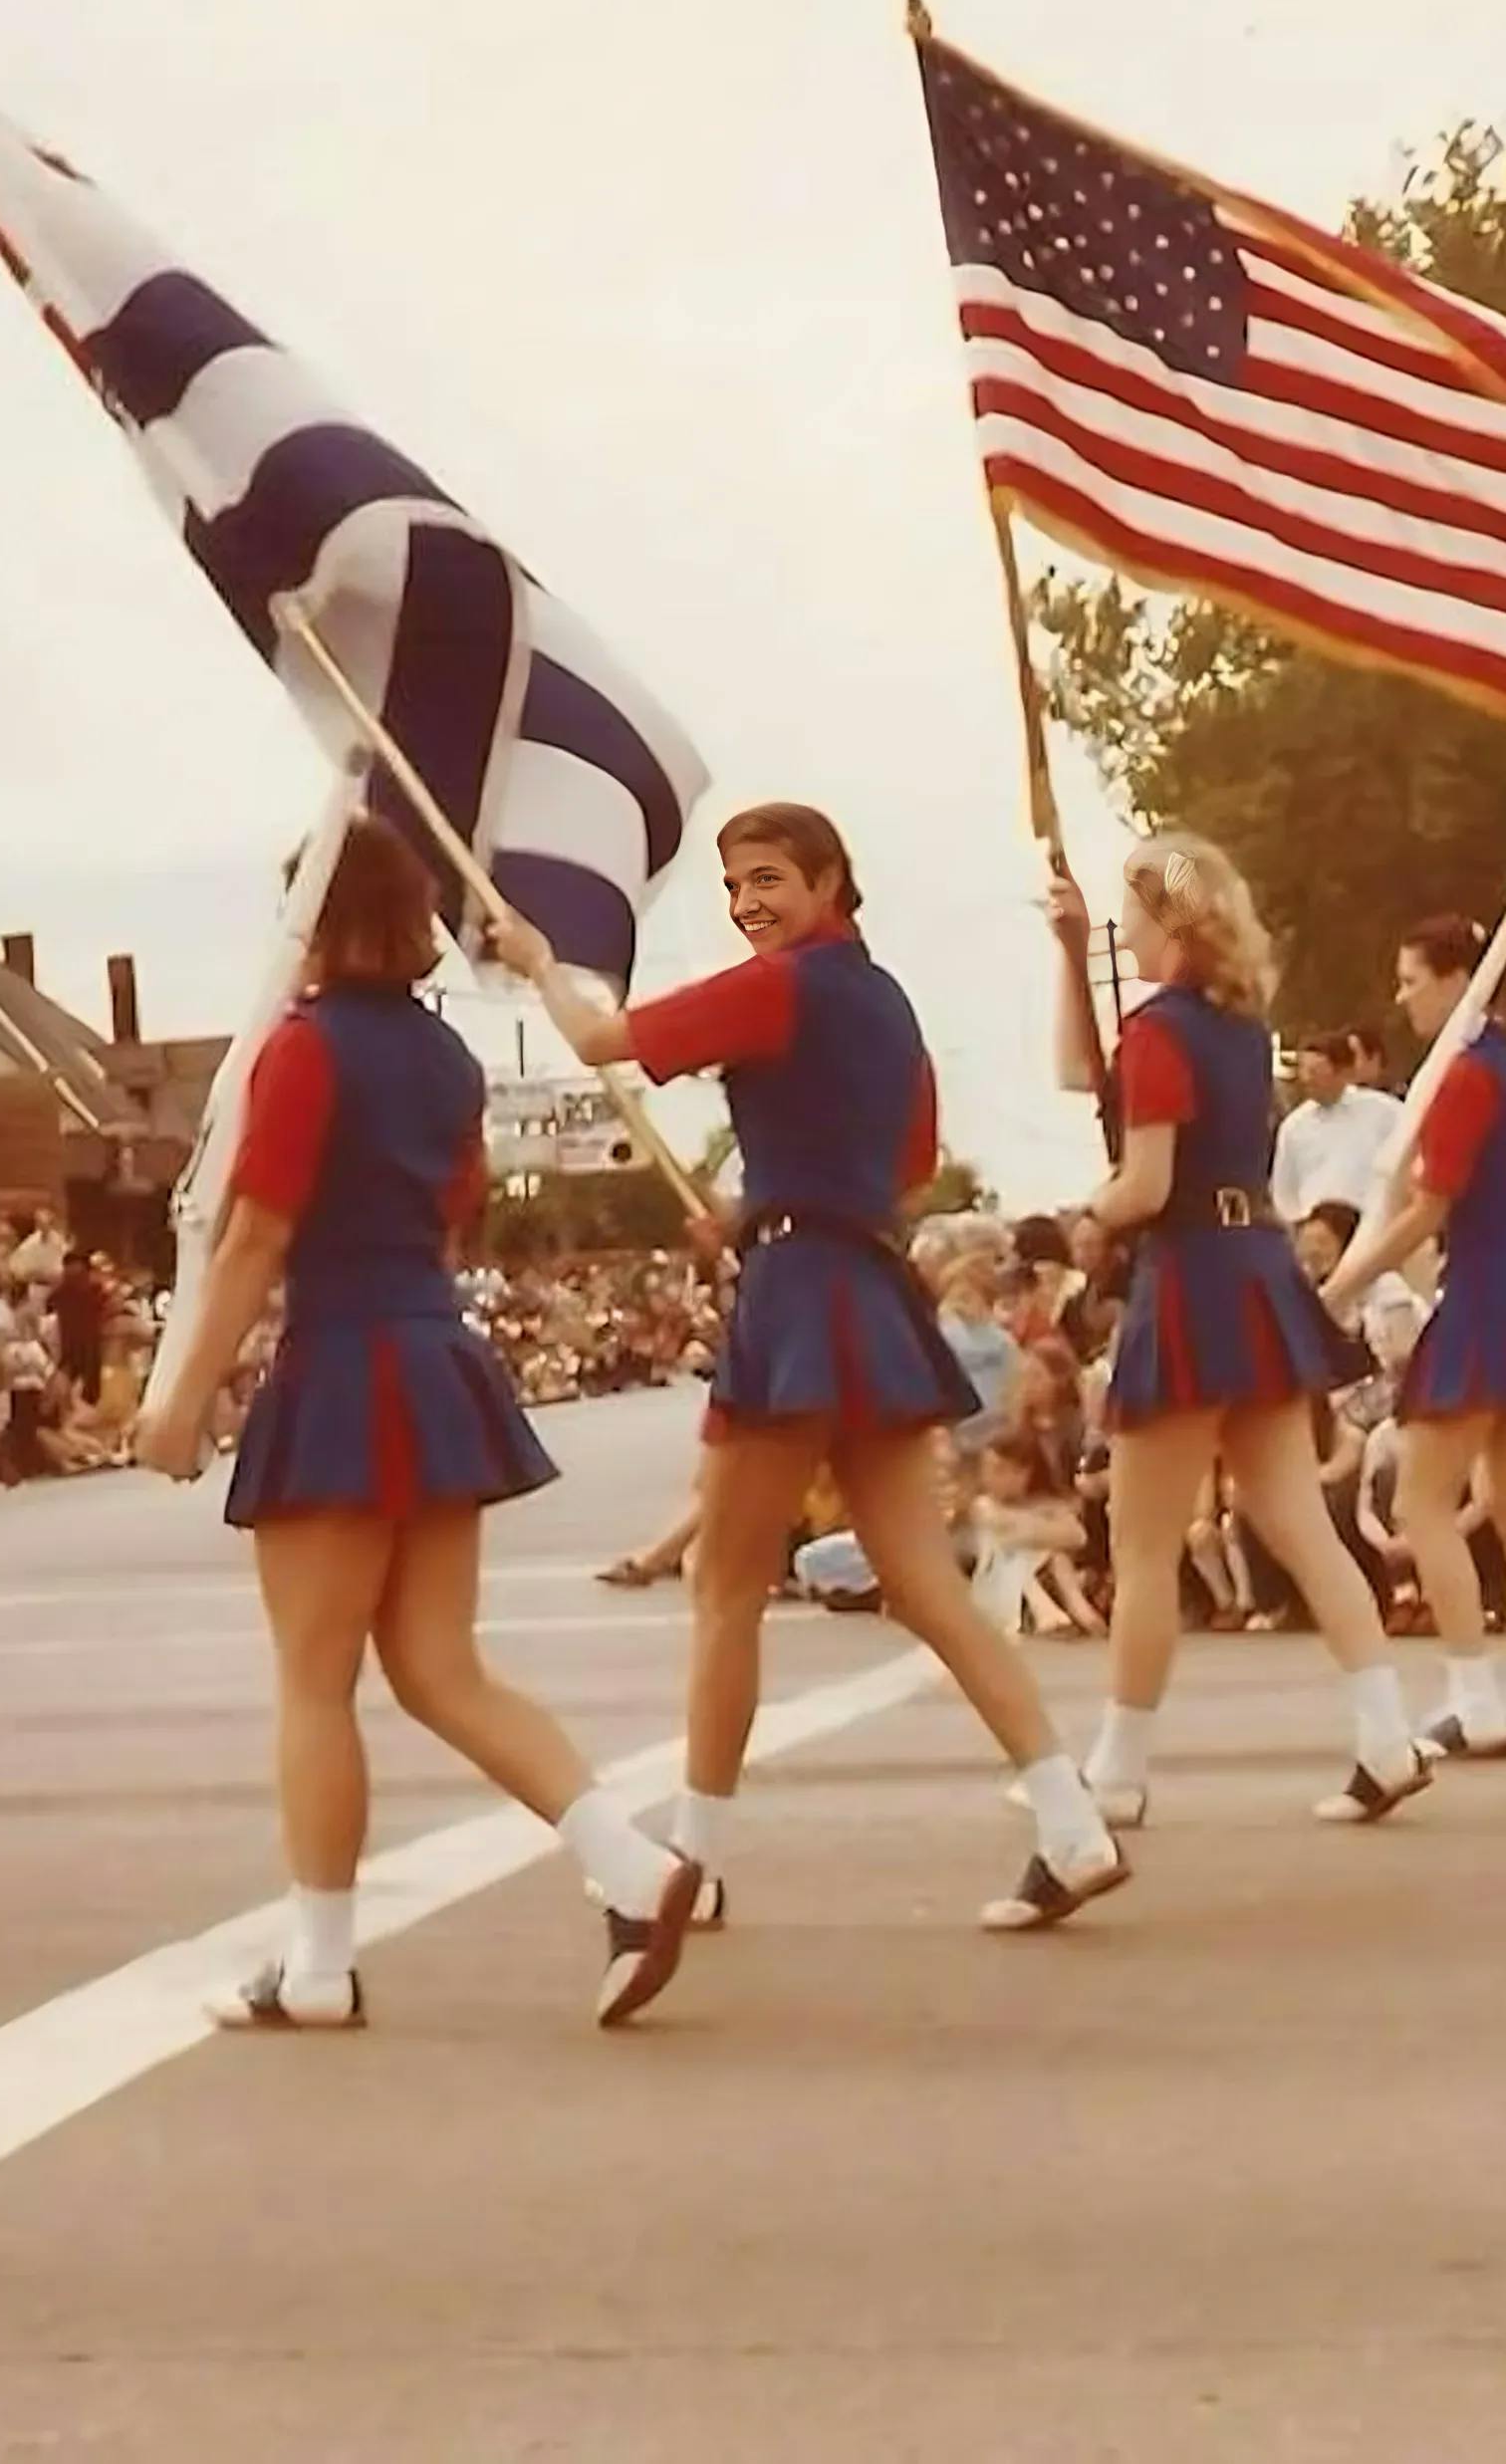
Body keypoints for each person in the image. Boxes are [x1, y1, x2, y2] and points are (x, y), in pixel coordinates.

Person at [500, 800, 1127, 1931]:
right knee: (926, 1584)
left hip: (801, 1299)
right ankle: (1069, 1819)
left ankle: (693, 1862)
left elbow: (599, 1040)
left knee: (725, 1586)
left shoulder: (777, 986)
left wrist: (540, 964)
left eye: (768, 879)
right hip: (868, 1284)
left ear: (831, 879)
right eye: (734, 885)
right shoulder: (886, 1002)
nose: (747, 903)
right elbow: (908, 1162)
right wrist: (765, 1204)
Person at [131, 811, 706, 2033]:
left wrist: (181, 1394)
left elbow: (259, 1235)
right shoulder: (447, 1058)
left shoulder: (300, 1050)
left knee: (314, 1681)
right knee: (444, 1667)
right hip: (433, 1350)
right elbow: (449, 1214)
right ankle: (628, 1863)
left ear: (316, 914)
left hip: (343, 1359)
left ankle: (320, 1964)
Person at [1040, 838, 1431, 1827]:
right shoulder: (1237, 1029)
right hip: (1254, 1268)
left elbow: (1144, 1184)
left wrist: (1091, 1212)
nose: (1125, 927)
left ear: (1169, 921)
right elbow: (1082, 1072)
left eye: (1133, 910)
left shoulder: (1160, 1032)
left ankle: (1117, 1772)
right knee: (1297, 1521)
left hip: (1189, 1280)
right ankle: (1386, 1735)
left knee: (1141, 1545)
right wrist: (1071, 950)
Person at [1322, 910, 1506, 1760]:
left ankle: (1474, 1699)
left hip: (1482, 1297)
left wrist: (1338, 1288)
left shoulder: (1468, 1076)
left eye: (1411, 981)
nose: (1401, 999)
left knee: (1421, 1504)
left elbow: (1426, 1213)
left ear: (1457, 980)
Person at [1268, 1031, 1404, 1227]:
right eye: (1302, 1069)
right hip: (1316, 1229)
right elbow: (1284, 1194)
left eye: (1315, 1070)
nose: (1306, 1078)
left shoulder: (1385, 1111)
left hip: (1372, 1226)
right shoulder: (1293, 1127)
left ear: (1342, 1072)